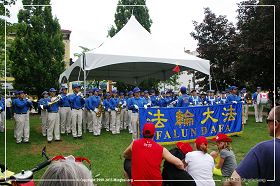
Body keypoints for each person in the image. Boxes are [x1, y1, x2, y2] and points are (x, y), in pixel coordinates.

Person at [230, 106, 280, 186]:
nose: (267, 124)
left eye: (268, 120)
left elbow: (234, 179)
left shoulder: (263, 149)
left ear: (275, 124)